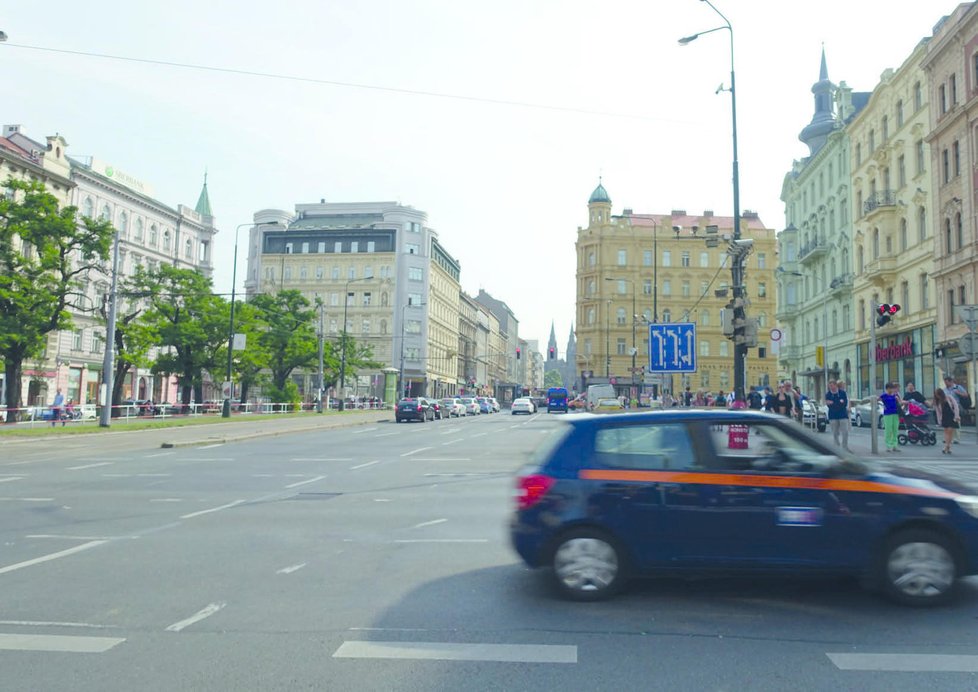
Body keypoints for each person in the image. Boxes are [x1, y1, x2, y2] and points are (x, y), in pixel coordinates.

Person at [943, 375, 970, 444]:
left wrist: (958, 393)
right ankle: (949, 438)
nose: (945, 384)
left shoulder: (958, 387)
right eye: (945, 382)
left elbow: (966, 395)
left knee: (956, 422)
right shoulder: (945, 389)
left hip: (956, 407)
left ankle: (957, 439)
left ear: (951, 381)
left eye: (946, 382)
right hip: (948, 407)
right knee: (948, 423)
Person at [824, 379, 850, 451]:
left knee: (845, 431)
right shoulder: (828, 394)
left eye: (832, 386)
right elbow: (829, 405)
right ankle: (836, 446)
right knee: (835, 432)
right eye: (829, 386)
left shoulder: (842, 393)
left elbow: (844, 404)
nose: (831, 388)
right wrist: (839, 402)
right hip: (833, 415)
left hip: (842, 414)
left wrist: (834, 403)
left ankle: (844, 447)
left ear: (835, 385)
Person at [934, 387, 961, 454]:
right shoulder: (937, 401)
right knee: (946, 432)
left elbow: (956, 406)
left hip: (952, 416)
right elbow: (938, 412)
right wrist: (939, 421)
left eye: (938, 395)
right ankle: (948, 447)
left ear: (941, 394)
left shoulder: (949, 397)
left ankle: (946, 446)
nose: (937, 396)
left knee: (950, 431)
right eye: (936, 395)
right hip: (944, 417)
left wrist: (957, 416)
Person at [880, 382, 903, 452]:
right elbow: (877, 400)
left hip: (895, 413)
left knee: (895, 429)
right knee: (888, 430)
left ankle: (895, 445)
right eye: (891, 388)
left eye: (893, 388)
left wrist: (898, 400)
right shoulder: (884, 395)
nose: (892, 390)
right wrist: (882, 406)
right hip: (887, 414)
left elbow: (900, 403)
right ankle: (888, 445)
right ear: (887, 389)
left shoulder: (895, 395)